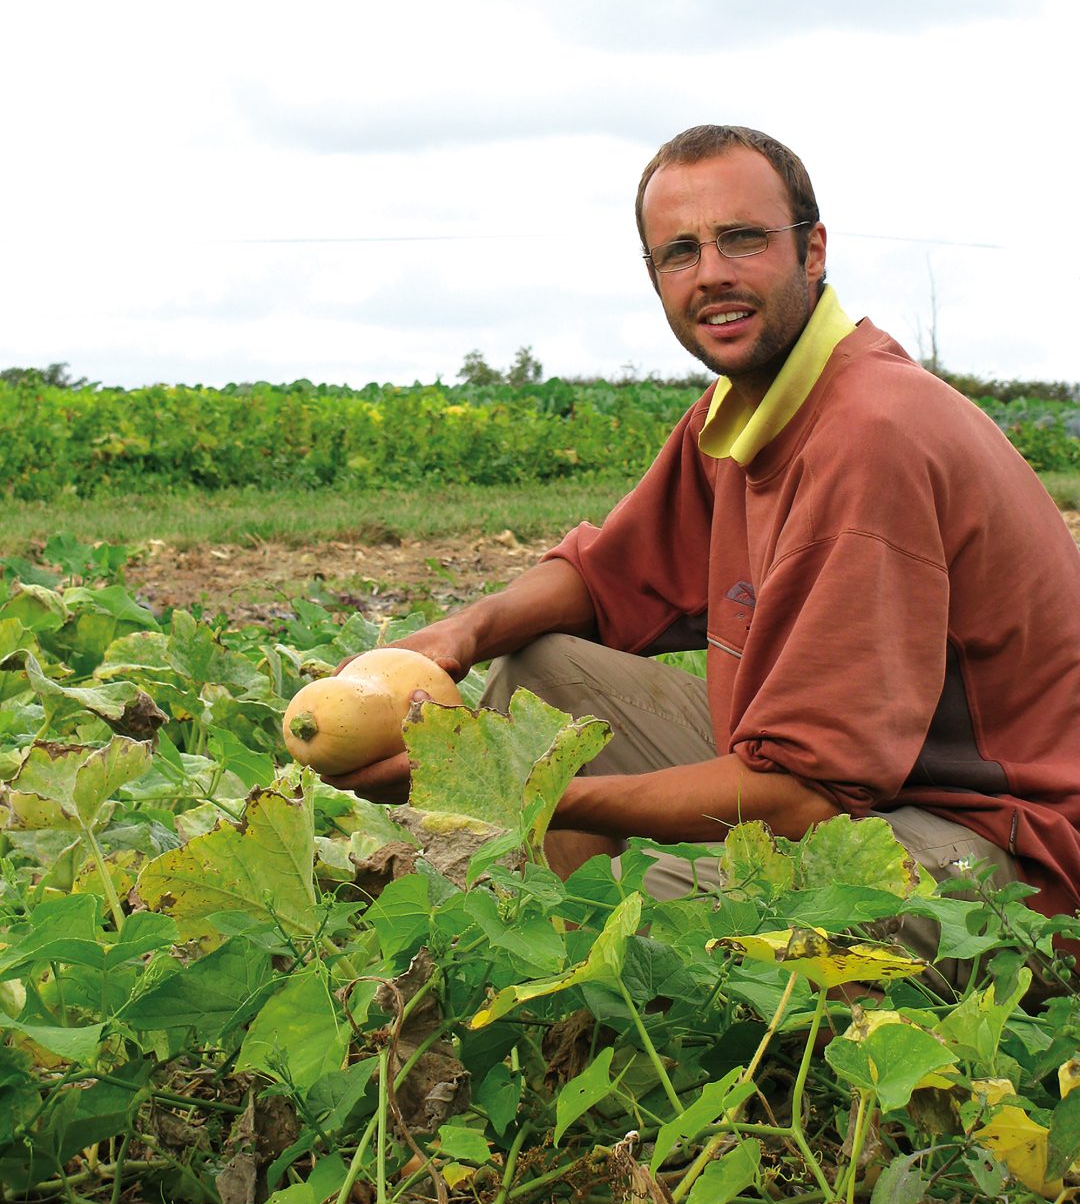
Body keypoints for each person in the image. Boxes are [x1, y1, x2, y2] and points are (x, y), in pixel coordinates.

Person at [326, 124, 1080, 950]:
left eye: (744, 239)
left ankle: (610, 987)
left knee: (645, 909)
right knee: (545, 671)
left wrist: (523, 792)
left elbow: (805, 799)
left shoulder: (872, 432)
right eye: (679, 252)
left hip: (1009, 845)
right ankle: (592, 986)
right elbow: (607, 579)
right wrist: (455, 636)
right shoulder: (747, 411)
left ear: (813, 251)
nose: (711, 273)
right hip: (874, 789)